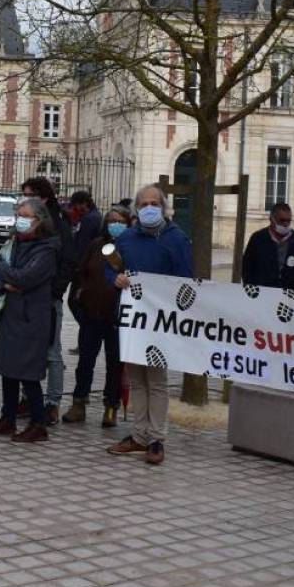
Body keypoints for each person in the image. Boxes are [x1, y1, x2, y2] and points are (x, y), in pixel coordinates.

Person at [105, 184, 193, 465]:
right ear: (136, 209)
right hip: (132, 318)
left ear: (164, 207)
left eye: (154, 203)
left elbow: (186, 280)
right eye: (143, 204)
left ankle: (156, 438)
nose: (149, 208)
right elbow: (112, 267)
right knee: (136, 379)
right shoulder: (128, 238)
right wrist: (114, 279)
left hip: (160, 320)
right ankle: (138, 435)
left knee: (156, 381)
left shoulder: (176, 239)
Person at [0, 197, 61, 442]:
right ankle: (8, 418)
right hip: (10, 313)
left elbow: (26, 278)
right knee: (8, 369)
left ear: (39, 220)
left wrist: (8, 277)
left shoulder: (47, 248)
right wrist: (6, 283)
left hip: (31, 318)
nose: (20, 220)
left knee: (28, 372)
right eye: (19, 215)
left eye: (26, 216)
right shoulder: (13, 242)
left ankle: (38, 424)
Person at [63, 204, 129, 426]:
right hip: (91, 315)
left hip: (117, 319)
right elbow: (81, 275)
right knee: (85, 363)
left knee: (115, 365)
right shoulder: (96, 245)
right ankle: (79, 403)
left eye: (120, 221)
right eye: (111, 221)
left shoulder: (130, 247)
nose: (115, 225)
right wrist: (78, 303)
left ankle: (111, 406)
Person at [20, 176, 75, 425]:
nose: (25, 198)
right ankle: (27, 398)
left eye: (30, 194)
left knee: (52, 353)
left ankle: (52, 403)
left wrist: (55, 291)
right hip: (27, 297)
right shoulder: (27, 221)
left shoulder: (58, 224)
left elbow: (67, 261)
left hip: (49, 297)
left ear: (43, 197)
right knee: (27, 349)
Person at [240, 202, 294, 290]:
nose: (286, 224)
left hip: (290, 294)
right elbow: (247, 267)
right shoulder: (258, 238)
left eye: (288, 220)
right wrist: (251, 288)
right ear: (272, 219)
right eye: (282, 220)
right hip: (264, 291)